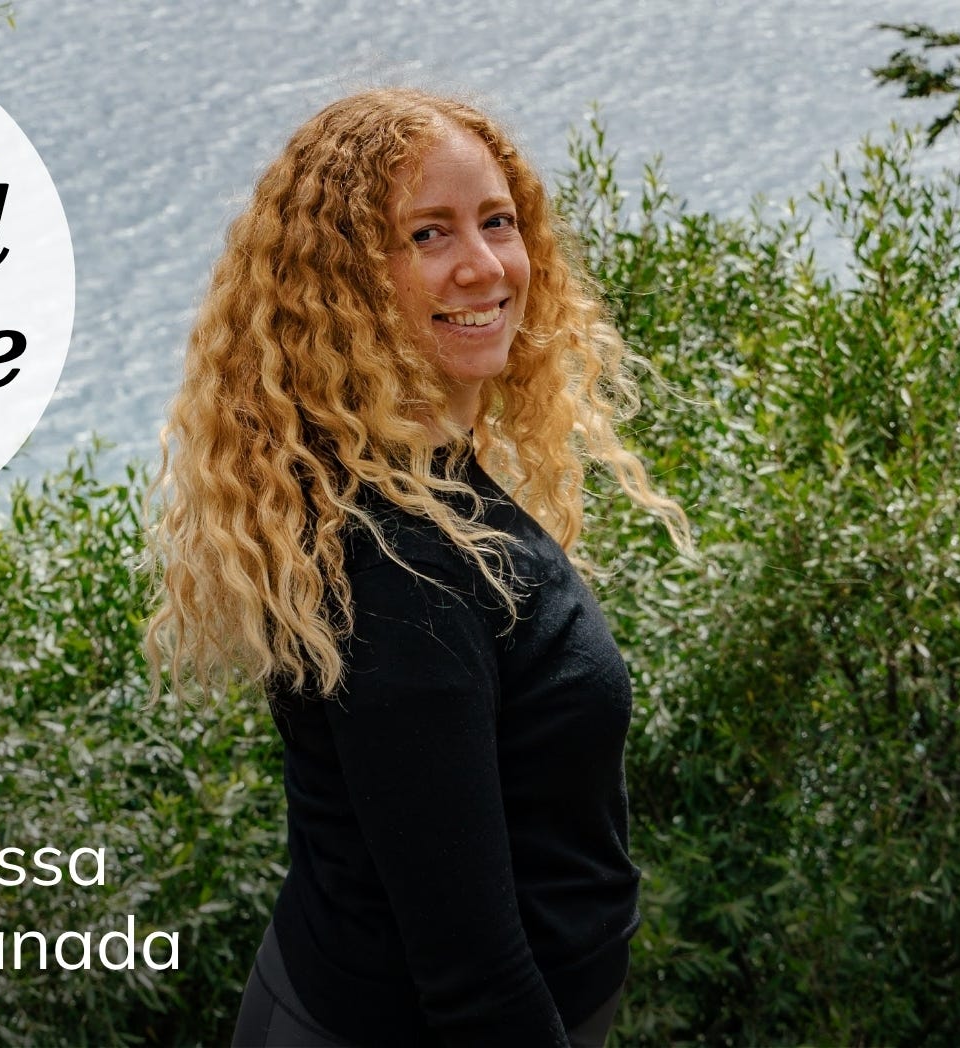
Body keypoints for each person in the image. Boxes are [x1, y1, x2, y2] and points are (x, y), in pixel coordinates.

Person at [145, 88, 690, 1047]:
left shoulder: (411, 480)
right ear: (345, 285)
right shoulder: (404, 578)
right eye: (428, 235)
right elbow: (476, 986)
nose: (484, 267)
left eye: (497, 222)